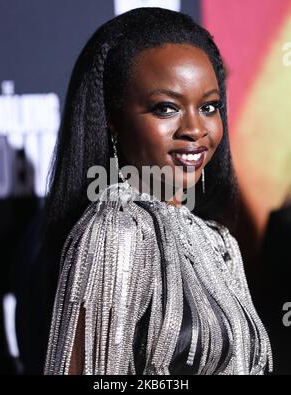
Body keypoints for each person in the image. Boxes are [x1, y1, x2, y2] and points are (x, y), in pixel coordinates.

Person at [42, 7, 272, 375]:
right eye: (166, 108)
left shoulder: (218, 241)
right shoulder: (116, 234)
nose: (196, 129)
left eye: (209, 106)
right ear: (113, 122)